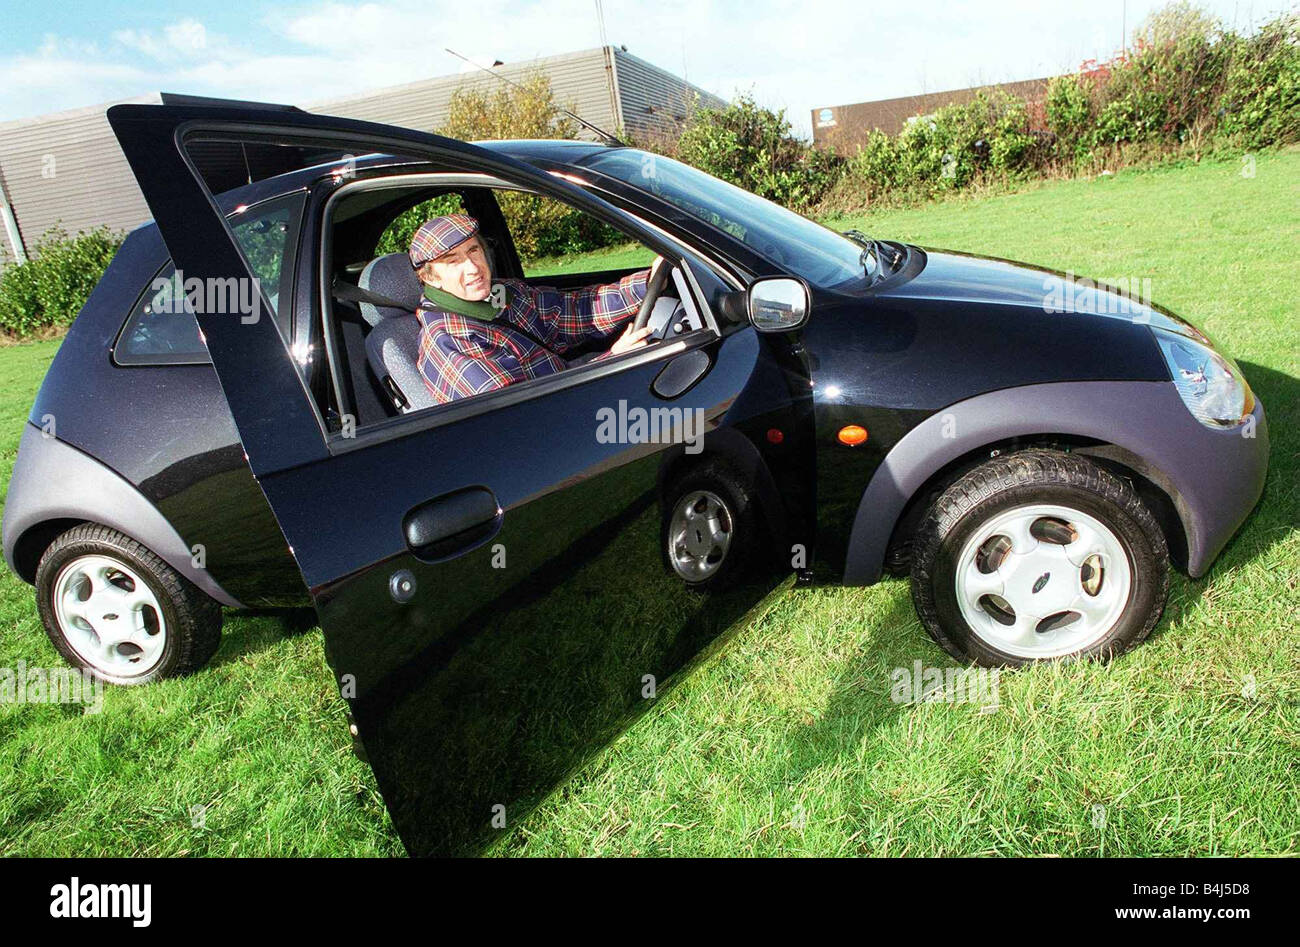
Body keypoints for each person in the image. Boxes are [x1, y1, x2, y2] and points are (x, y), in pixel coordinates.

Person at [408, 213, 661, 404]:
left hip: (568, 385)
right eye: (453, 262)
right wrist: (611, 363)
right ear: (430, 278)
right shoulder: (447, 342)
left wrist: (645, 285)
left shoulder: (501, 292)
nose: (473, 268)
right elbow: (527, 413)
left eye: (473, 250)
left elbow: (572, 311)